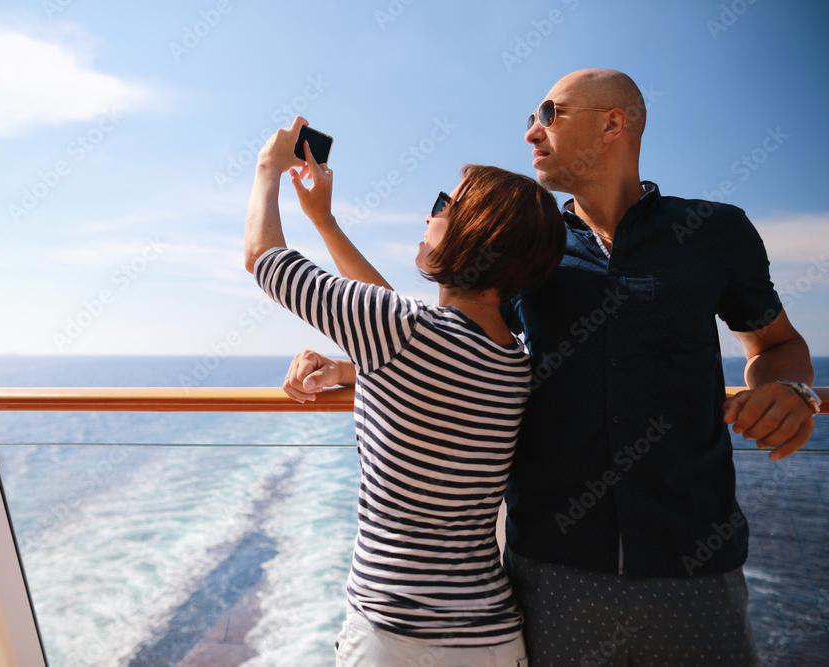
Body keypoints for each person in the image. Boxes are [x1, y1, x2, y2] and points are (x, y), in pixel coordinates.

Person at [282, 69, 819, 666]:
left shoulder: (716, 233)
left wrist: (795, 390)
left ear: (613, 123)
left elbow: (777, 347)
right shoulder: (531, 249)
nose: (531, 132)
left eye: (548, 113)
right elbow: (435, 346)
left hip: (694, 568)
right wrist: (357, 365)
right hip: (553, 576)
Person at [245, 115, 565, 666]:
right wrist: (325, 224)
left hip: (396, 637)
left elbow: (264, 260)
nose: (429, 214)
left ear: (476, 234)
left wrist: (266, 168)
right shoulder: (515, 361)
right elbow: (403, 335)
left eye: (444, 204)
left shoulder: (402, 333)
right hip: (493, 636)